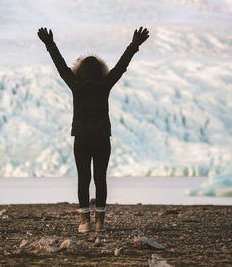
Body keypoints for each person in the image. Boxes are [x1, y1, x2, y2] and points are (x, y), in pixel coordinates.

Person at [37, 26, 149, 232]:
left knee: (83, 179)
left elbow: (61, 66)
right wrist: (134, 45)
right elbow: (121, 67)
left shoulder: (75, 84)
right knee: (100, 178)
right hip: (101, 138)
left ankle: (84, 223)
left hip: (81, 138)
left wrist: (49, 44)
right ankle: (100, 223)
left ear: (80, 71)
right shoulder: (105, 84)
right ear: (99, 71)